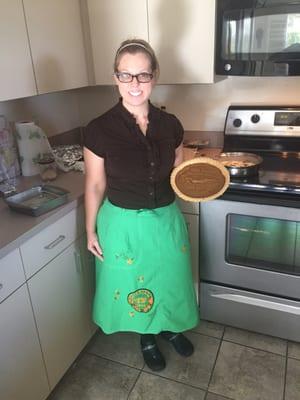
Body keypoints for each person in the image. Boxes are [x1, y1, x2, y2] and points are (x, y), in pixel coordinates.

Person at [83, 38, 199, 371]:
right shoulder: (99, 129)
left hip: (165, 219)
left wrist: (200, 178)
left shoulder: (171, 125)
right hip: (123, 224)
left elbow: (178, 173)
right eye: (126, 75)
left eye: (143, 75)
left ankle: (170, 327)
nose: (134, 84)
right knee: (137, 283)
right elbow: (94, 183)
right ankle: (146, 336)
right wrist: (89, 229)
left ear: (155, 77)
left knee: (169, 278)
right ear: (116, 77)